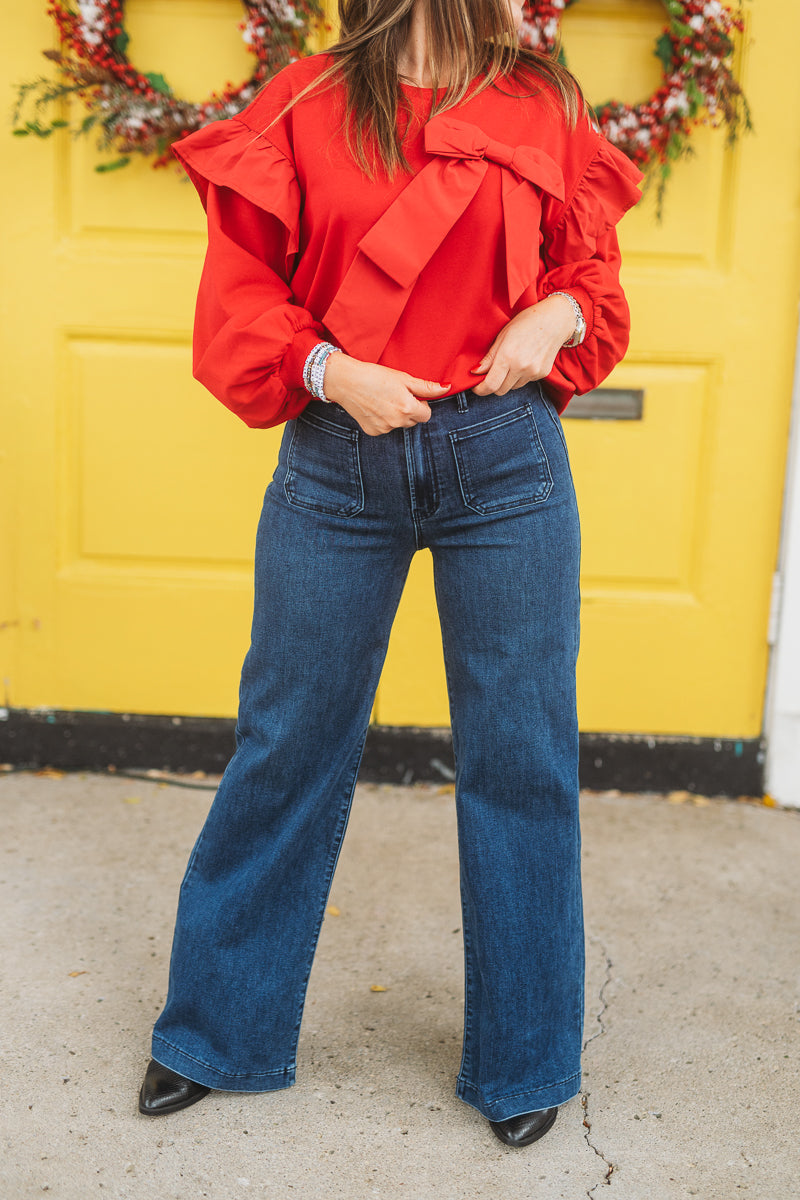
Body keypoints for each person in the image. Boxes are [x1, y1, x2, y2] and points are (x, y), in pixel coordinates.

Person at [138, 0, 641, 1148]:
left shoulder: (543, 100)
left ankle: (524, 1060)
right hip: (336, 455)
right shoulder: (308, 100)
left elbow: (593, 277)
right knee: (285, 743)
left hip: (504, 458)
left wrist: (556, 314)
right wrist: (327, 368)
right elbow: (239, 297)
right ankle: (215, 1032)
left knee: (518, 756)